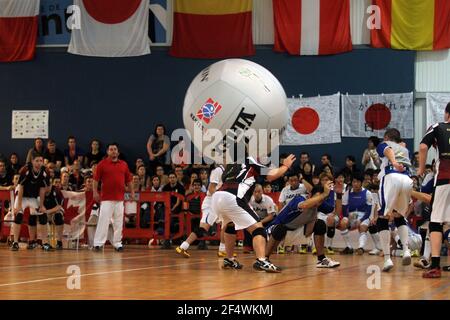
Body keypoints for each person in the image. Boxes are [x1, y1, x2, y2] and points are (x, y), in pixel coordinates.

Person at [211, 154, 296, 273]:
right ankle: (262, 260)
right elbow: (271, 176)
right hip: (233, 197)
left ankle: (229, 259)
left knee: (230, 225)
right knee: (258, 229)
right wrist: (285, 165)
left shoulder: (230, 167)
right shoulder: (249, 161)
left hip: (217, 198)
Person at [266, 182, 340, 268]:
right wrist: (324, 194)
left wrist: (339, 195)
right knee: (280, 229)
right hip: (275, 231)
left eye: (321, 200)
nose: (318, 201)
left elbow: (336, 213)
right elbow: (305, 205)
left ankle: (321, 259)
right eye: (317, 197)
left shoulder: (318, 204)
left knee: (320, 224)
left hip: (296, 232)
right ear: (309, 195)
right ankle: (264, 259)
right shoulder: (299, 199)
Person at [417, 103, 450, 278]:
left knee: (436, 222)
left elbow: (423, 147)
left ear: (447, 114)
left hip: (445, 179)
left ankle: (435, 266)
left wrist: (421, 169)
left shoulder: (438, 126)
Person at [375, 128, 414, 272]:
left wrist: (394, 162)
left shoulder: (384, 144)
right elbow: (399, 147)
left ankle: (387, 258)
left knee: (382, 218)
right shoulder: (404, 148)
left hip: (392, 177)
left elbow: (388, 150)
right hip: (407, 180)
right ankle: (406, 250)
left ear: (386, 137)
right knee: (399, 215)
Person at [176, 163, 227, 257]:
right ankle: (183, 247)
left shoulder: (228, 172)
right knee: (203, 229)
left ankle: (222, 250)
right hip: (211, 204)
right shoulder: (218, 171)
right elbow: (211, 189)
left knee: (226, 224)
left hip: (218, 203)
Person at [93, 143, 134, 252]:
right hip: (106, 198)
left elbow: (129, 180)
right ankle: (98, 243)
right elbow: (96, 180)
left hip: (120, 199)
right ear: (107, 152)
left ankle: (117, 243)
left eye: (115, 149)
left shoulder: (124, 164)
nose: (113, 151)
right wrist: (95, 192)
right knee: (103, 221)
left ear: (118, 152)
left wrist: (132, 192)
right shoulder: (102, 164)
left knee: (118, 222)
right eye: (111, 149)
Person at [11, 152, 51, 251]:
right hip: (23, 196)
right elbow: (21, 187)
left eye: (41, 161)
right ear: (32, 161)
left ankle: (45, 243)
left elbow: (42, 189)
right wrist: (19, 205)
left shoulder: (44, 171)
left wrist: (41, 205)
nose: (39, 163)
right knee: (19, 216)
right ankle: (15, 242)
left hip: (34, 197)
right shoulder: (25, 169)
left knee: (42, 216)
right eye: (36, 161)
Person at [339, 175, 380, 255]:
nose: (356, 184)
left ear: (361, 183)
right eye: (354, 182)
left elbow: (368, 212)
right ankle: (349, 247)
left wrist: (360, 220)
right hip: (351, 215)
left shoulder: (367, 193)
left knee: (362, 227)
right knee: (343, 223)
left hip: (364, 216)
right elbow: (344, 211)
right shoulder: (347, 194)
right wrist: (349, 218)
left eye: (358, 182)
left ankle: (360, 247)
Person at [244, 184, 277, 253]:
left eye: (259, 191)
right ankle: (248, 246)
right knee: (246, 224)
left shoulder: (268, 200)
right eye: (255, 192)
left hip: (266, 220)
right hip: (255, 220)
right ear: (252, 192)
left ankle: (270, 246)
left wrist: (260, 222)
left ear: (262, 192)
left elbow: (271, 216)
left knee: (273, 225)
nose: (257, 194)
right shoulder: (249, 200)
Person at [43, 179, 65, 250]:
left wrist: (48, 212)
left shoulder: (56, 191)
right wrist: (45, 212)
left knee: (58, 217)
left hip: (55, 210)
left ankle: (59, 242)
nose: (47, 187)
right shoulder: (40, 191)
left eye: (48, 185)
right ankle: (44, 242)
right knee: (40, 217)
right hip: (45, 211)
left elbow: (59, 206)